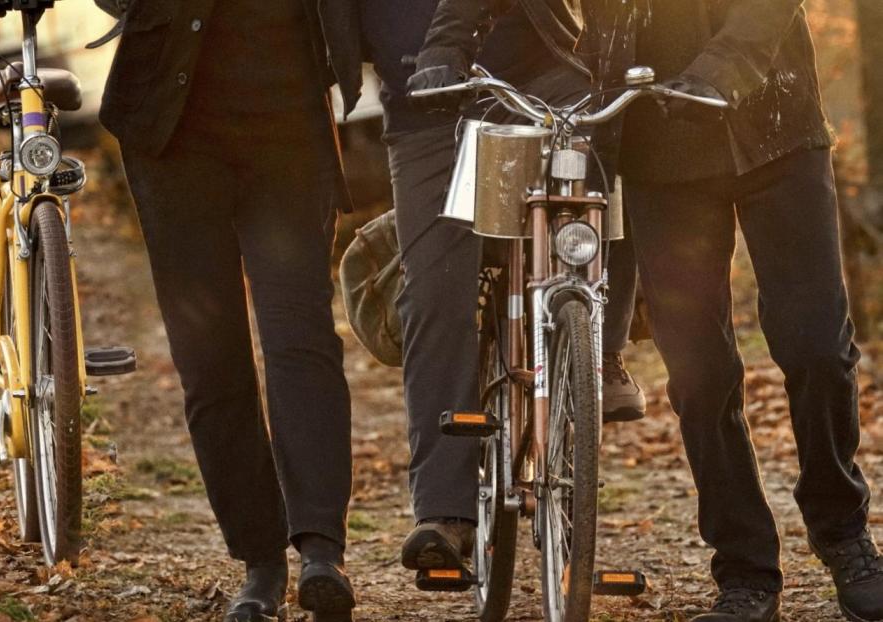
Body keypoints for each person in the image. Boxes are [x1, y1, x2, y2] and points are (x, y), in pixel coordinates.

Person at [408, 1, 883, 621]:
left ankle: (843, 535)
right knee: (699, 376)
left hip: (776, 127)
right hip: (660, 147)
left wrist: (722, 67)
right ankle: (743, 570)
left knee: (817, 348)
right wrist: (447, 43)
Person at [358, 0, 645, 581]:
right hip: (422, 109)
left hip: (539, 79)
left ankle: (602, 349)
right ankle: (445, 515)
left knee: (611, 172)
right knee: (434, 294)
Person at [94, 1, 363, 620]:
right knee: (210, 361)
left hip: (289, 128)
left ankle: (322, 551)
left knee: (301, 338)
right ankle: (260, 562)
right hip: (172, 135)